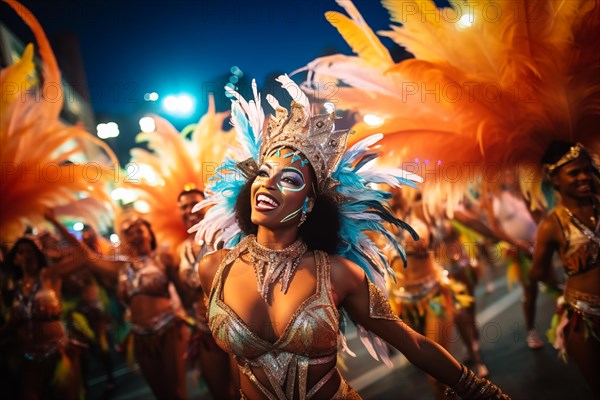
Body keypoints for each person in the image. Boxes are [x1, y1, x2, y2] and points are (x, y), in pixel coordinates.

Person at [192, 76, 509, 399]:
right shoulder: (213, 269)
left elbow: (412, 342)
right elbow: (236, 362)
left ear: (309, 204)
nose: (268, 183)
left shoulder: (338, 273)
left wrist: (480, 391)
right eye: (263, 172)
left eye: (288, 178)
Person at [530, 141, 600, 397]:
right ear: (555, 179)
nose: (583, 177)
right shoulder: (551, 225)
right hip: (582, 319)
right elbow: (537, 272)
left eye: (586, 170)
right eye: (574, 173)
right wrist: (563, 281)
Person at [177, 188, 237, 399]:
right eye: (183, 207)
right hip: (204, 332)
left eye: (194, 203)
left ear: (207, 205)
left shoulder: (225, 236)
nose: (189, 210)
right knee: (219, 392)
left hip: (234, 328)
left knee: (244, 392)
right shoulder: (181, 249)